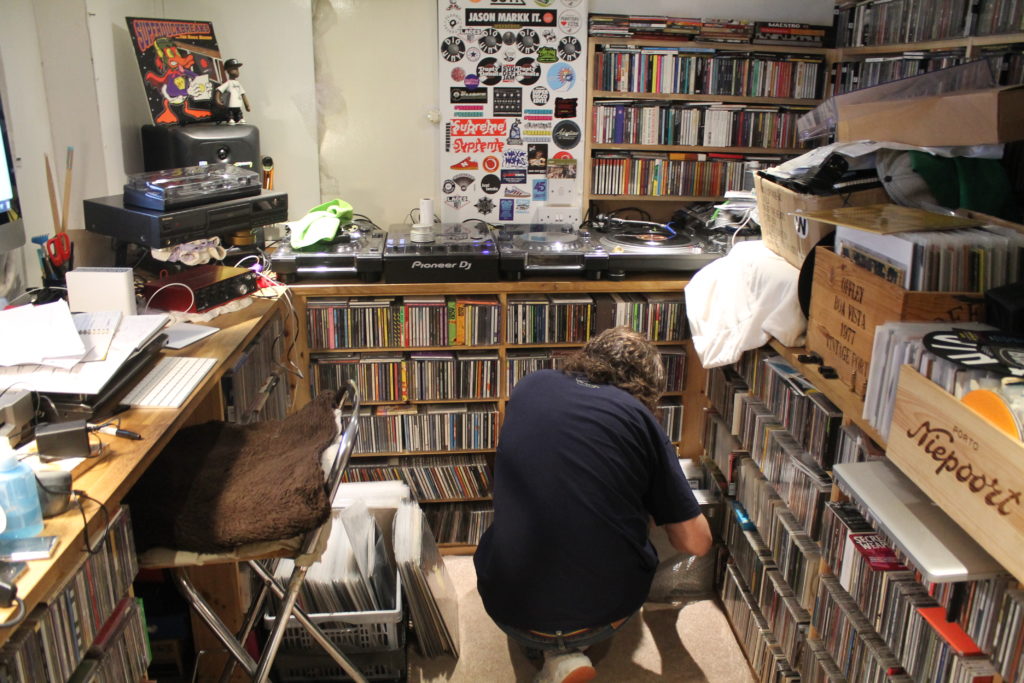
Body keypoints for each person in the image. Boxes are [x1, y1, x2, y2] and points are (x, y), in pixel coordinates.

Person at [474, 326, 713, 683]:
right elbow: (696, 543)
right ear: (649, 387)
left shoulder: (530, 385)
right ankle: (568, 649)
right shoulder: (641, 419)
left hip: (507, 606)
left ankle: (555, 655)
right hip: (599, 617)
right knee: (652, 528)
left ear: (587, 356)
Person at [215, 58, 250, 124]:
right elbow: (218, 90)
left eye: (237, 69)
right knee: (230, 112)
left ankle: (240, 118)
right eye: (234, 68)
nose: (237, 71)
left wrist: (247, 105)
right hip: (230, 105)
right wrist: (218, 101)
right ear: (228, 70)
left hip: (238, 104)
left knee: (239, 112)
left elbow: (243, 94)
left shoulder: (238, 84)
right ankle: (230, 118)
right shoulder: (228, 83)